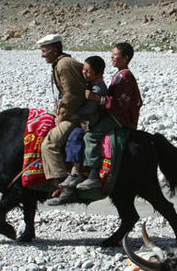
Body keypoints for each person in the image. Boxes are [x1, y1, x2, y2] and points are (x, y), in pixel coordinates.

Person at [76, 42, 143, 190]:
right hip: (115, 114)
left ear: (125, 58)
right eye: (112, 54)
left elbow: (120, 104)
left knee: (90, 136)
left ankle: (93, 174)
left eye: (115, 54)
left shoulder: (125, 77)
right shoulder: (119, 75)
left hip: (120, 118)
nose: (111, 57)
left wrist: (97, 98)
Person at [47, 56, 108, 205]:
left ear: (98, 74)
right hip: (86, 117)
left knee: (75, 136)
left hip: (90, 120)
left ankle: (76, 172)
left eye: (88, 71)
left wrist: (72, 111)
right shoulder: (90, 84)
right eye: (83, 70)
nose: (84, 73)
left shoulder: (97, 88)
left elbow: (90, 108)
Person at [37, 34, 86, 188]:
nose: (42, 55)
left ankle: (60, 184)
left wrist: (61, 116)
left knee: (49, 144)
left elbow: (72, 95)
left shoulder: (64, 65)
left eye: (45, 51)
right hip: (72, 111)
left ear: (54, 50)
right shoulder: (63, 63)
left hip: (76, 115)